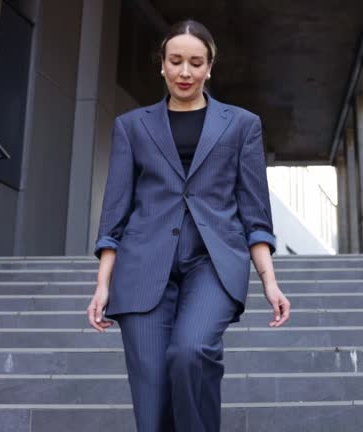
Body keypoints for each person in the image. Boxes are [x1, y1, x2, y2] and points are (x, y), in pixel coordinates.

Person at [85, 18, 291, 432]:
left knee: (191, 352)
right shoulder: (131, 127)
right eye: (175, 61)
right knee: (152, 391)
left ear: (210, 67)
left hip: (212, 263)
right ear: (161, 64)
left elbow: (255, 212)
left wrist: (269, 281)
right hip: (142, 266)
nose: (185, 72)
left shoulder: (241, 125)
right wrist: (102, 285)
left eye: (195, 63)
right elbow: (115, 213)